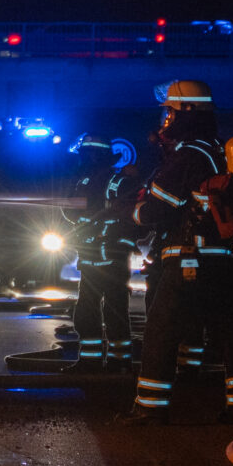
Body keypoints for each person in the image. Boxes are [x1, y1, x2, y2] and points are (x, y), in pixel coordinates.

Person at [125, 80, 233, 422]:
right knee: (229, 332)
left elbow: (155, 211)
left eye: (169, 110)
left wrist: (134, 209)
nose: (165, 118)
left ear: (185, 112)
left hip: (189, 258)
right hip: (221, 259)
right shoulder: (215, 151)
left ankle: (150, 410)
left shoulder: (189, 155)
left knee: (161, 331)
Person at [66, 136, 138, 371]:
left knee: (115, 310)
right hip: (90, 256)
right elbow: (71, 212)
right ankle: (90, 360)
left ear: (94, 155)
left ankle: (120, 361)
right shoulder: (82, 181)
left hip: (112, 257)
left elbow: (134, 220)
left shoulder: (119, 183)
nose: (83, 159)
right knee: (86, 311)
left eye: (87, 154)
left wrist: (116, 237)